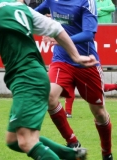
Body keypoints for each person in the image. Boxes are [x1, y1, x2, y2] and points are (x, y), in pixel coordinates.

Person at [0, 0, 99, 159]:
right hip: (33, 75)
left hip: (27, 78)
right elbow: (55, 28)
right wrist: (76, 56)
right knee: (13, 140)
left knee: (27, 141)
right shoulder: (18, 7)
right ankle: (72, 155)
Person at [35, 1, 113, 160]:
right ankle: (73, 143)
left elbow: (88, 34)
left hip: (86, 62)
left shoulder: (87, 2)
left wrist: (60, 38)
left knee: (99, 114)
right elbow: (33, 14)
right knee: (49, 97)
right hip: (61, 59)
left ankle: (107, 153)